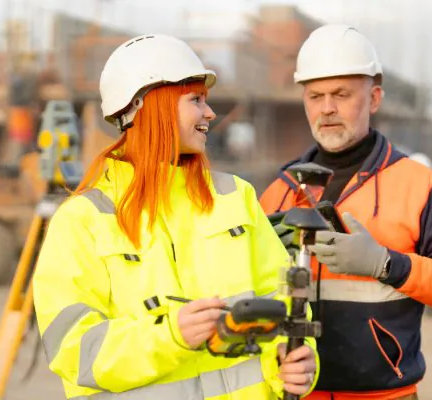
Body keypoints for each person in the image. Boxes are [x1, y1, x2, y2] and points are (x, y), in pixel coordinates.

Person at [32, 33, 317, 400]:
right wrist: (170, 337)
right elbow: (75, 353)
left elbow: (286, 309)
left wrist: (294, 363)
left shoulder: (236, 197)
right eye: (195, 100)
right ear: (149, 107)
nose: (210, 113)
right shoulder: (82, 221)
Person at [260, 24, 432, 400]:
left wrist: (386, 264)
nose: (327, 108)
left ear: (374, 98)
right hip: (294, 393)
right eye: (315, 96)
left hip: (385, 395)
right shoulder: (279, 191)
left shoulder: (418, 184)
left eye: (341, 94)